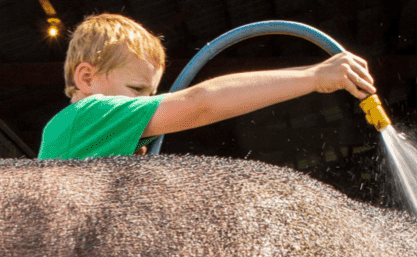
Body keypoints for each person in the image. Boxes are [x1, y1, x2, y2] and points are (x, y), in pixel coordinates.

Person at [38, 13, 378, 161]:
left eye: (149, 94)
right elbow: (200, 103)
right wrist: (314, 77)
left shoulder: (72, 133)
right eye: (136, 90)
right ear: (86, 79)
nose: (144, 102)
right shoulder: (89, 114)